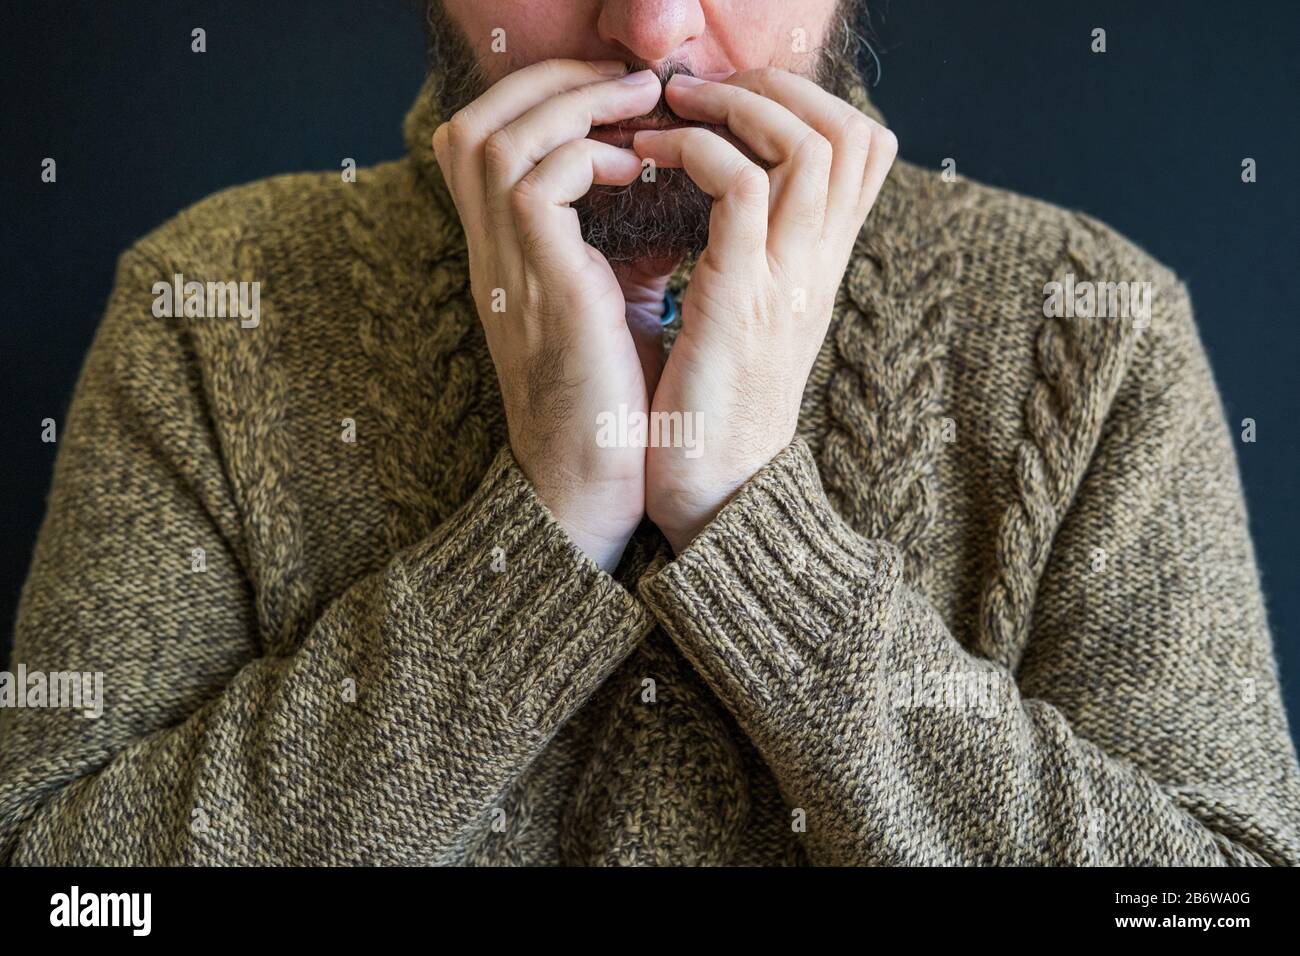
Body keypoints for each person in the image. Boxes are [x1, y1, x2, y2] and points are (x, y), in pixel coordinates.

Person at [3, 0, 1297, 865]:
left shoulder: (1089, 322)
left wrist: (751, 512)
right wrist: (549, 517)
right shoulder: (214, 297)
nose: (650, 29)